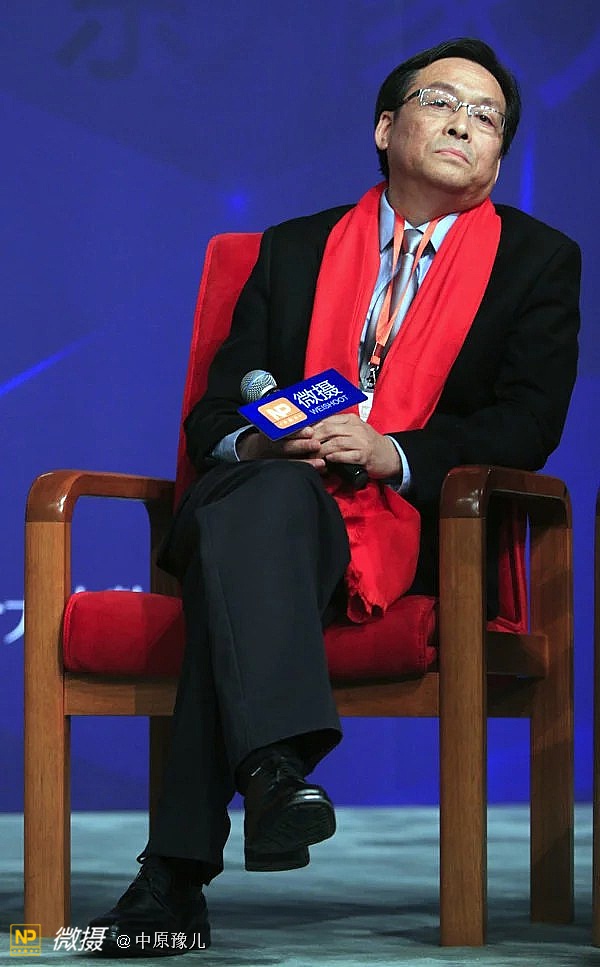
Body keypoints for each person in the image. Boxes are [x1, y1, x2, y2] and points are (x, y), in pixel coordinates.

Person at [90, 37, 580, 955]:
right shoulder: (293, 250)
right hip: (269, 499)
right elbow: (214, 413)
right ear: (387, 127)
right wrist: (266, 440)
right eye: (443, 103)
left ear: (498, 155)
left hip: (421, 530)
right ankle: (273, 770)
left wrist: (390, 452)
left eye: (487, 118)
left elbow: (526, 424)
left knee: (235, 564)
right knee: (264, 496)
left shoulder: (537, 262)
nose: (465, 125)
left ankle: (179, 873)